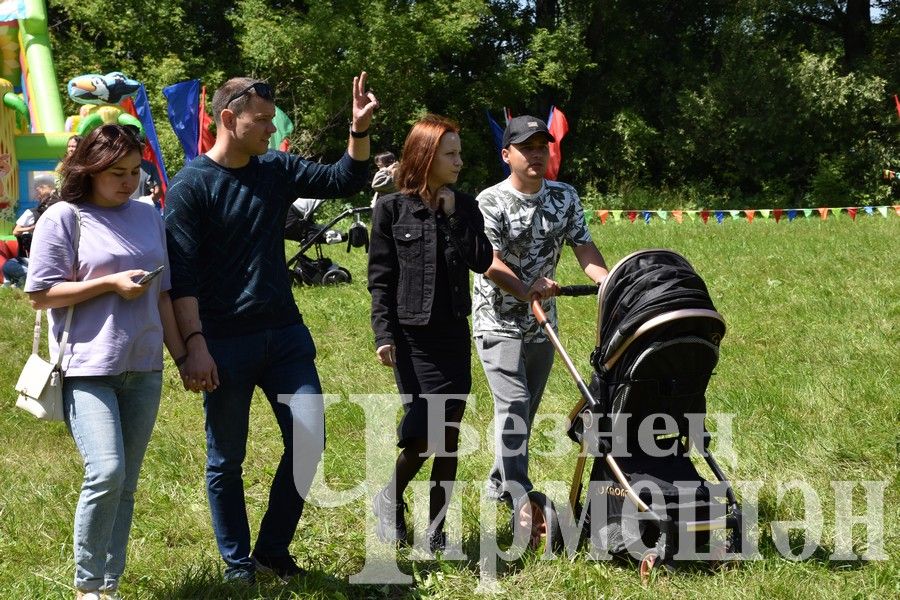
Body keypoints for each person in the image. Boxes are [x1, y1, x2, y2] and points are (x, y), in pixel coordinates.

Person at [164, 73, 378, 584]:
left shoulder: (275, 169)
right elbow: (182, 278)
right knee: (227, 459)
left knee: (309, 441)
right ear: (228, 119)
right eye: (261, 119)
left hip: (284, 335)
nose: (270, 127)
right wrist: (194, 346)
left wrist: (358, 129)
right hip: (222, 342)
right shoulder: (191, 186)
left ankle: (272, 551)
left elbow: (341, 180)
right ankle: (238, 567)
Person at [24, 124, 187, 600]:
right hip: (88, 365)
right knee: (107, 472)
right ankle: (87, 584)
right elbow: (40, 294)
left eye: (135, 171)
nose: (127, 181)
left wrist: (181, 356)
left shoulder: (147, 214)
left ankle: (109, 586)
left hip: (144, 365)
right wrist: (109, 283)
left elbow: (163, 294)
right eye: (116, 172)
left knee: (127, 483)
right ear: (89, 169)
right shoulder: (64, 216)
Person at [472, 115, 608, 540]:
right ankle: (520, 497)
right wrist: (526, 288)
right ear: (506, 154)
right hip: (496, 319)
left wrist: (609, 281)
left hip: (542, 324)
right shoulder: (489, 201)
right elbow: (490, 262)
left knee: (524, 414)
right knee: (512, 405)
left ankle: (499, 482)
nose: (536, 153)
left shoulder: (564, 197)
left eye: (541, 146)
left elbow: (584, 247)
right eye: (526, 147)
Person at [368, 115, 492, 551]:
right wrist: (383, 333)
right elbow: (380, 278)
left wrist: (456, 216)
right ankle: (389, 496)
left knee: (450, 433)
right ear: (426, 156)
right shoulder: (391, 208)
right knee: (424, 434)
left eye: (459, 153)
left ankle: (437, 531)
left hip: (453, 336)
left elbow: (480, 260)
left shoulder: (466, 205)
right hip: (411, 338)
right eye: (451, 154)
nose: (460, 162)